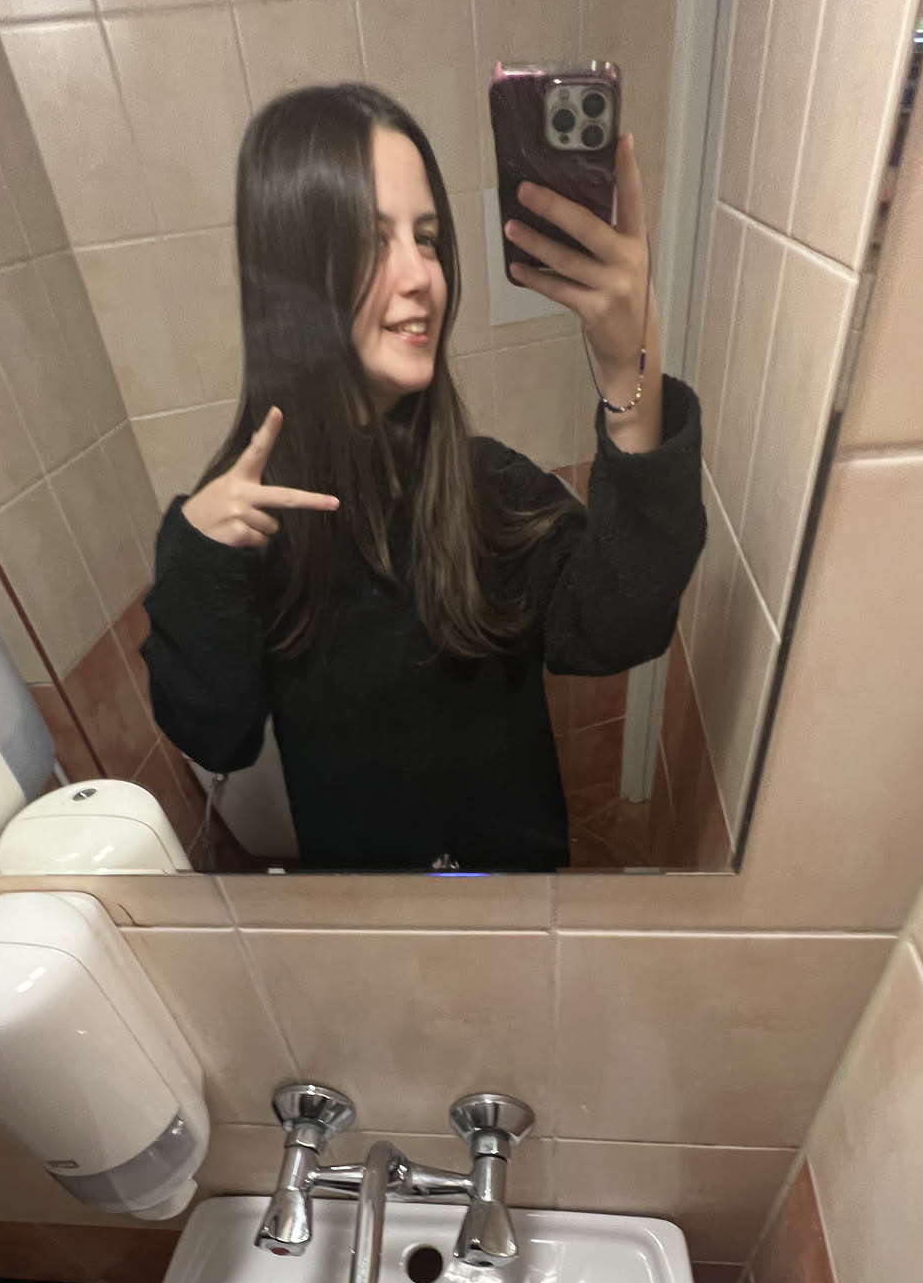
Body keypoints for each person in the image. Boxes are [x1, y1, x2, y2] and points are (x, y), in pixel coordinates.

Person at [141, 82, 705, 871]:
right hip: (373, 919)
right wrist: (200, 558)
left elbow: (620, 626)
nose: (420, 276)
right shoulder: (245, 526)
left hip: (517, 899)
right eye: (373, 242)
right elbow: (217, 739)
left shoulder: (487, 487)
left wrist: (628, 373)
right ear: (292, 274)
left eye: (429, 238)